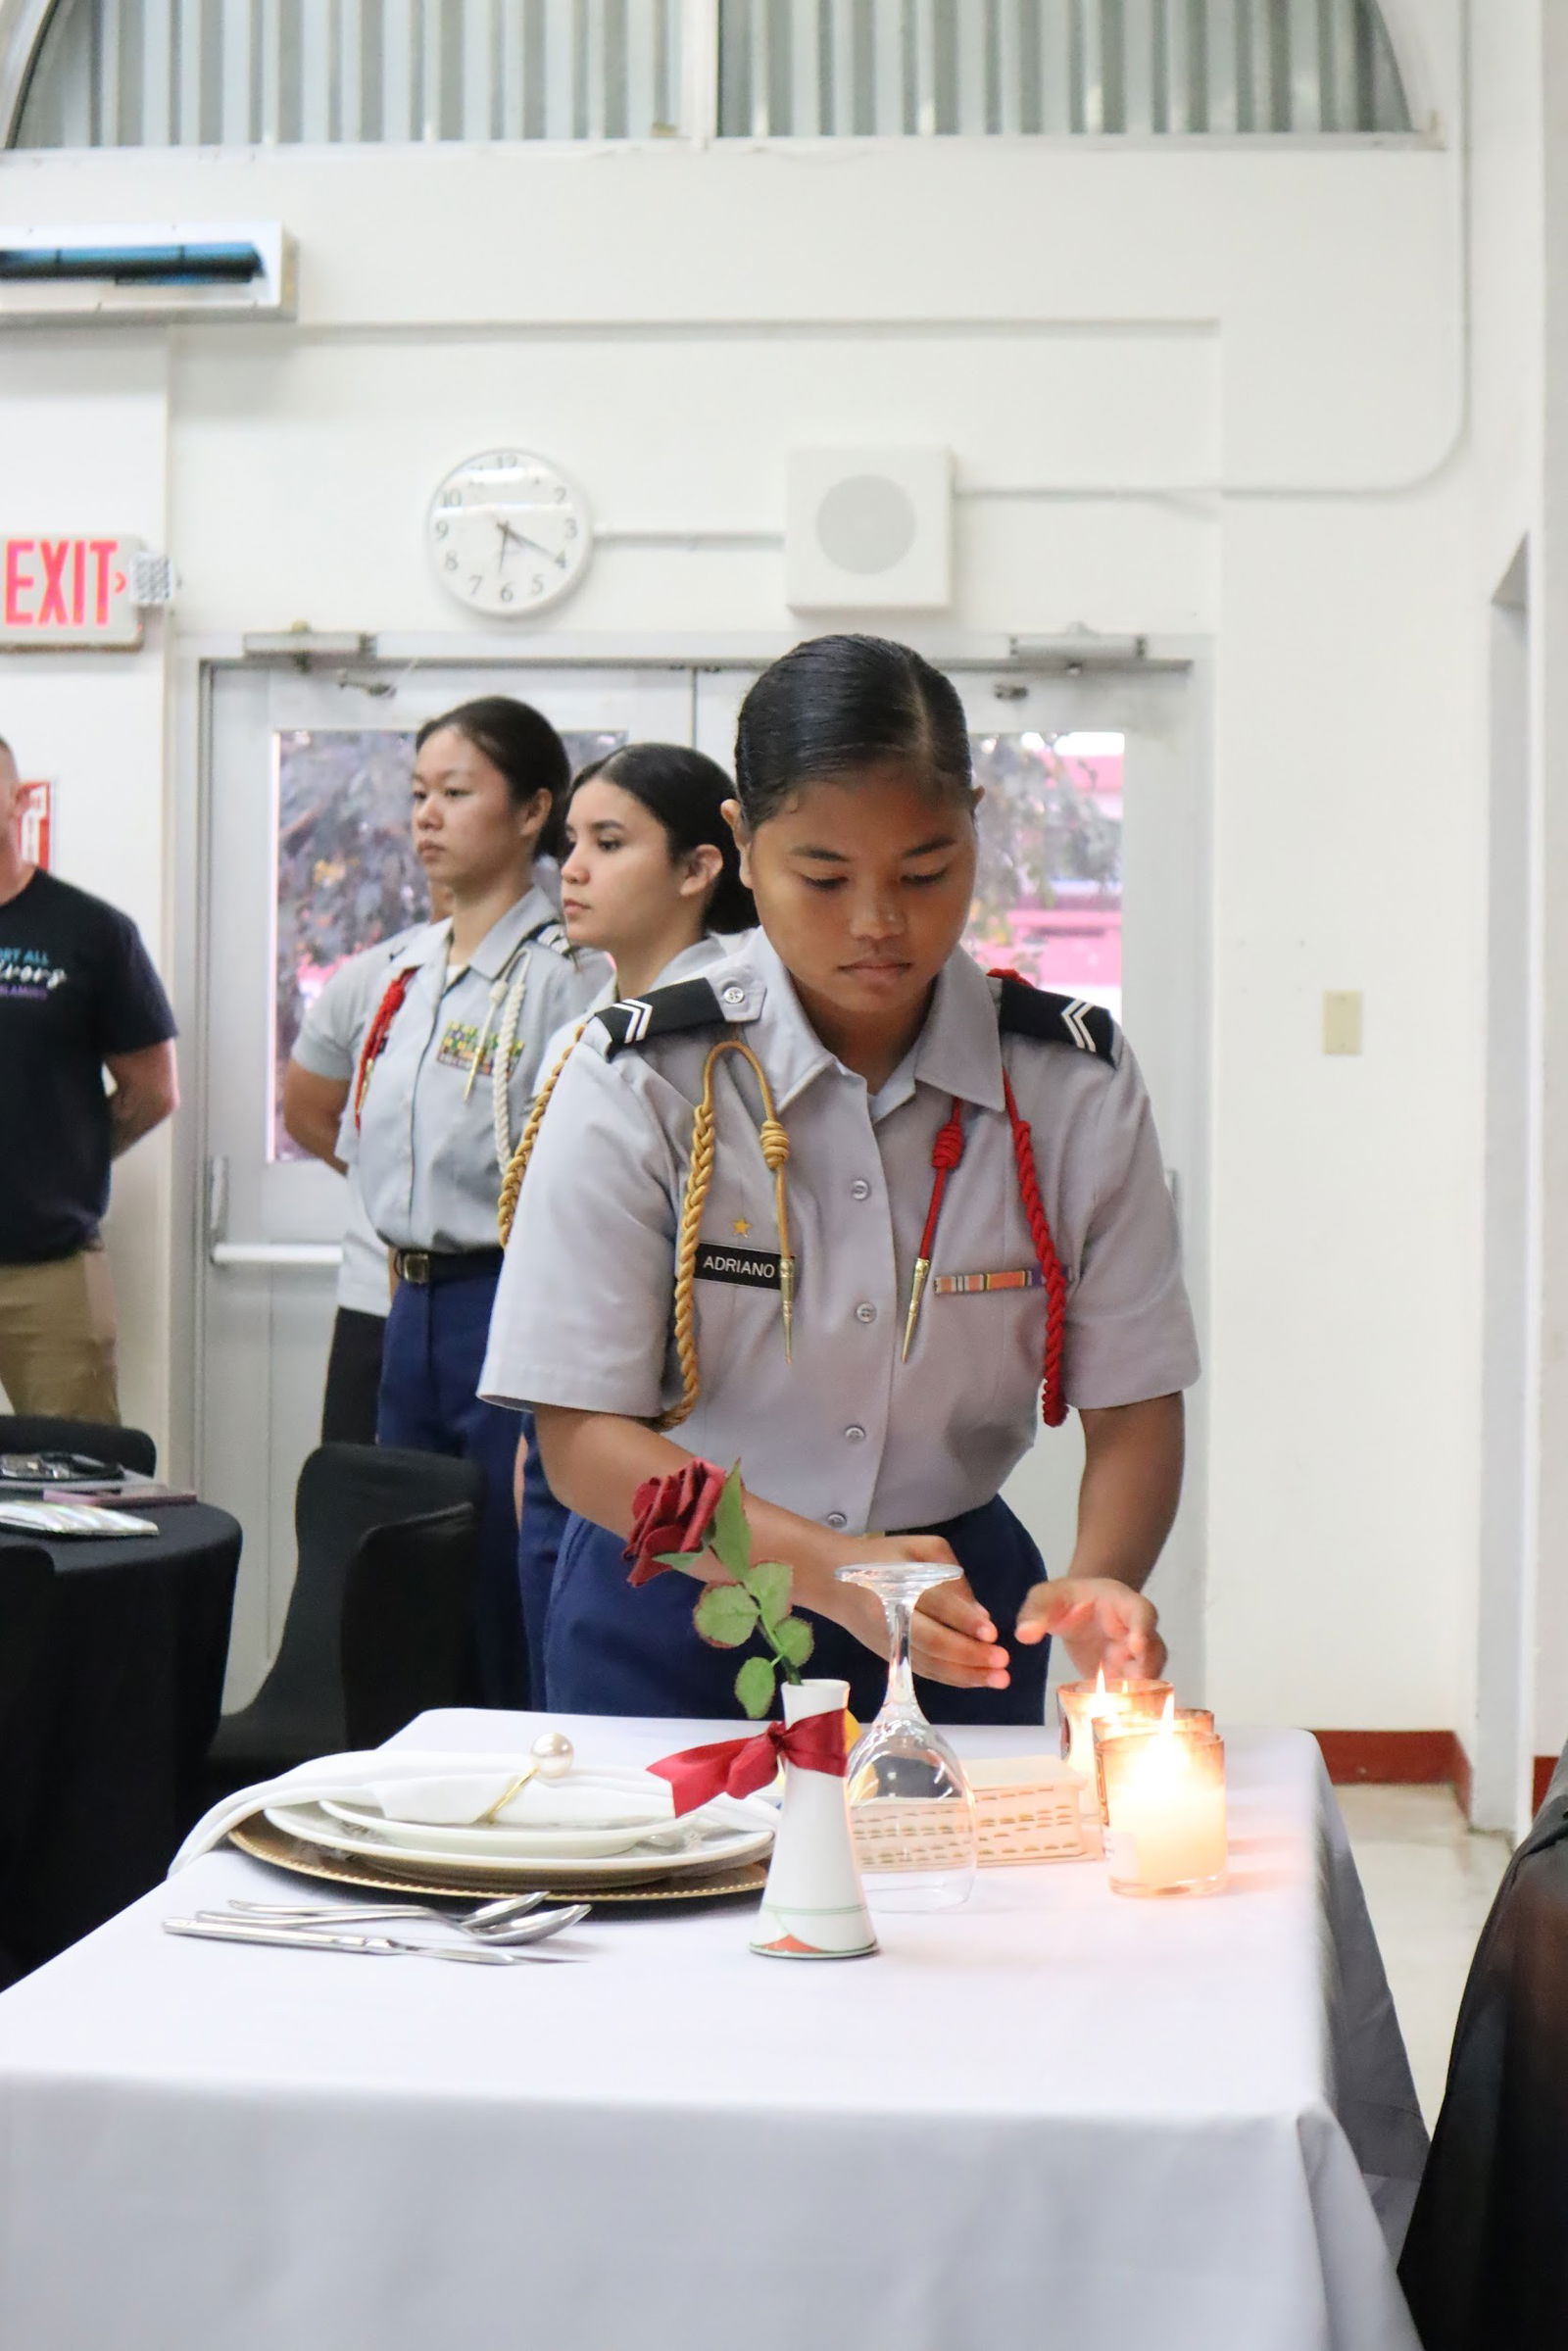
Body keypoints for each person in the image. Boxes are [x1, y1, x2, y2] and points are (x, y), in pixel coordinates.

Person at [479, 634, 1199, 1721]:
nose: (878, 922)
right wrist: (825, 1566)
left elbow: (1135, 1398)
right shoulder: (642, 1072)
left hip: (960, 1612)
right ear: (741, 845)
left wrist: (1103, 1571)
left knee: (964, 1889)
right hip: (675, 1603)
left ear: (974, 826)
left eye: (925, 871)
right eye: (822, 875)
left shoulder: (1066, 1082)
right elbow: (580, 1441)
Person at [341, 697, 608, 1705]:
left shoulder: (564, 973)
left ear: (535, 809)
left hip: (507, 1297)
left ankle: (527, 1767)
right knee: (404, 1565)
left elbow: (565, 1159)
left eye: (456, 793)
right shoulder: (404, 968)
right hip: (407, 1299)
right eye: (418, 794)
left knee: (507, 1566)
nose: (427, 817)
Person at [499, 742, 756, 1672]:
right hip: (581, 1423)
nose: (572, 868)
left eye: (609, 842)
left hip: (705, 1440)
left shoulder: (747, 1030)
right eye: (572, 841)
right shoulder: (585, 1032)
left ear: (699, 867)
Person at [0, 732, 178, 1420]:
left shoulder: (91, 931)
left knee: (75, 1491)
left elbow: (153, 1090)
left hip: (49, 1274)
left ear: (19, 798)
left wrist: (60, 1155)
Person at [281, 901, 446, 1444]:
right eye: (423, 806)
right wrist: (399, 1191)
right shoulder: (380, 974)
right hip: (374, 1296)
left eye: (453, 804)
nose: (432, 817)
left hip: (491, 1301)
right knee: (360, 1502)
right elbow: (305, 1113)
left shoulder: (562, 974)